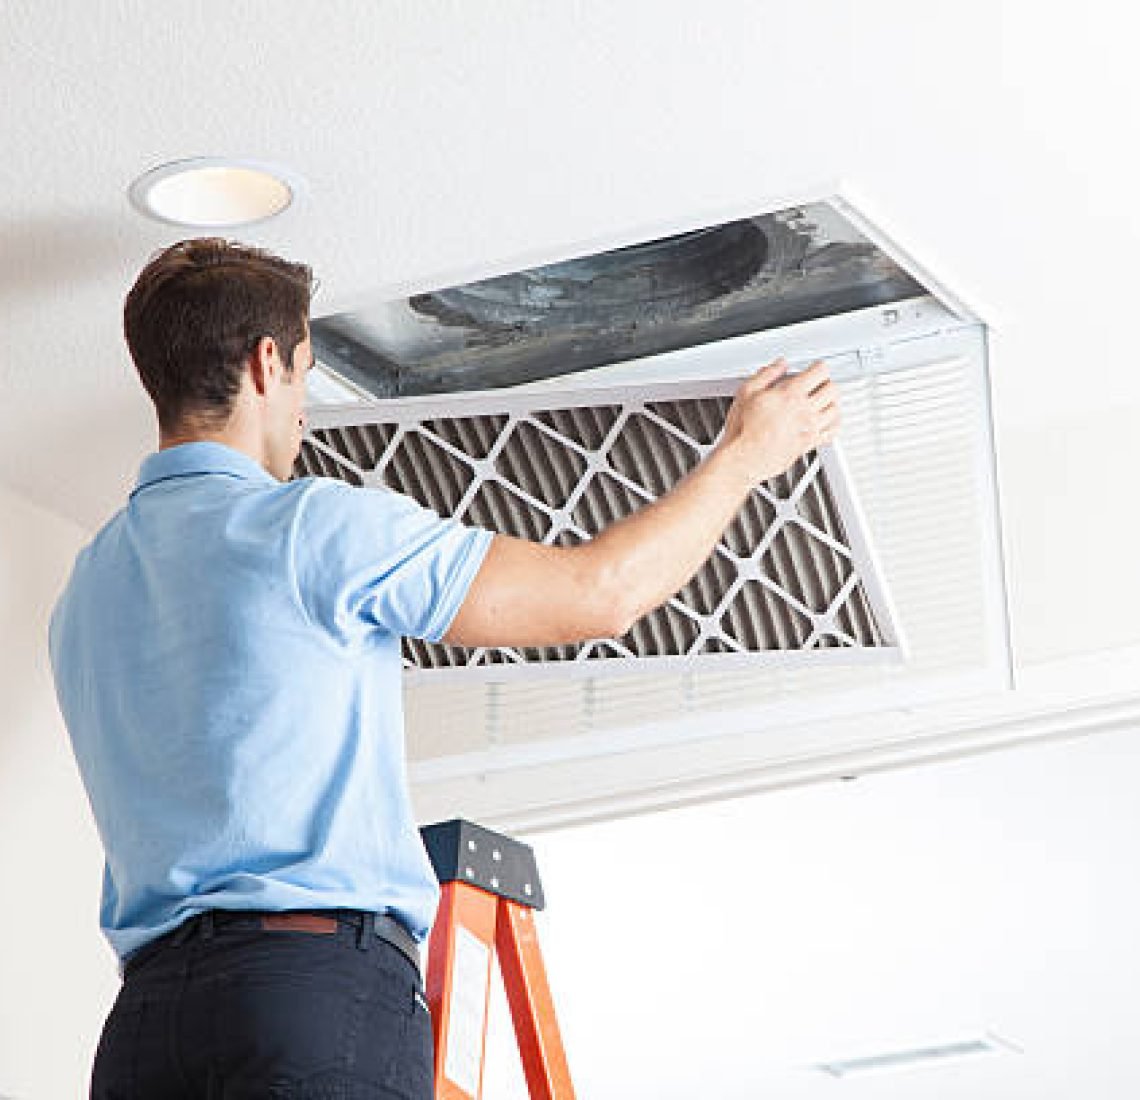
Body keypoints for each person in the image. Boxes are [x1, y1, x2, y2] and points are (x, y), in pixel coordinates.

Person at [49, 237, 841, 1098]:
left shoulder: (87, 590)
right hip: (303, 994)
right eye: (307, 373)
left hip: (143, 1037)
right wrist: (742, 460)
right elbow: (599, 592)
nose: (304, 408)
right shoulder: (314, 527)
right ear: (267, 362)